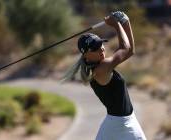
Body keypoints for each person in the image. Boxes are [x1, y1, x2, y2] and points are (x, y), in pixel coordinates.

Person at [62, 11, 147, 140]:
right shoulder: (101, 69)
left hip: (119, 122)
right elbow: (125, 49)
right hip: (120, 125)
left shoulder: (99, 66)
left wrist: (125, 21)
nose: (101, 49)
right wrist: (117, 24)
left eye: (101, 44)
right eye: (95, 48)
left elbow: (130, 51)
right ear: (86, 55)